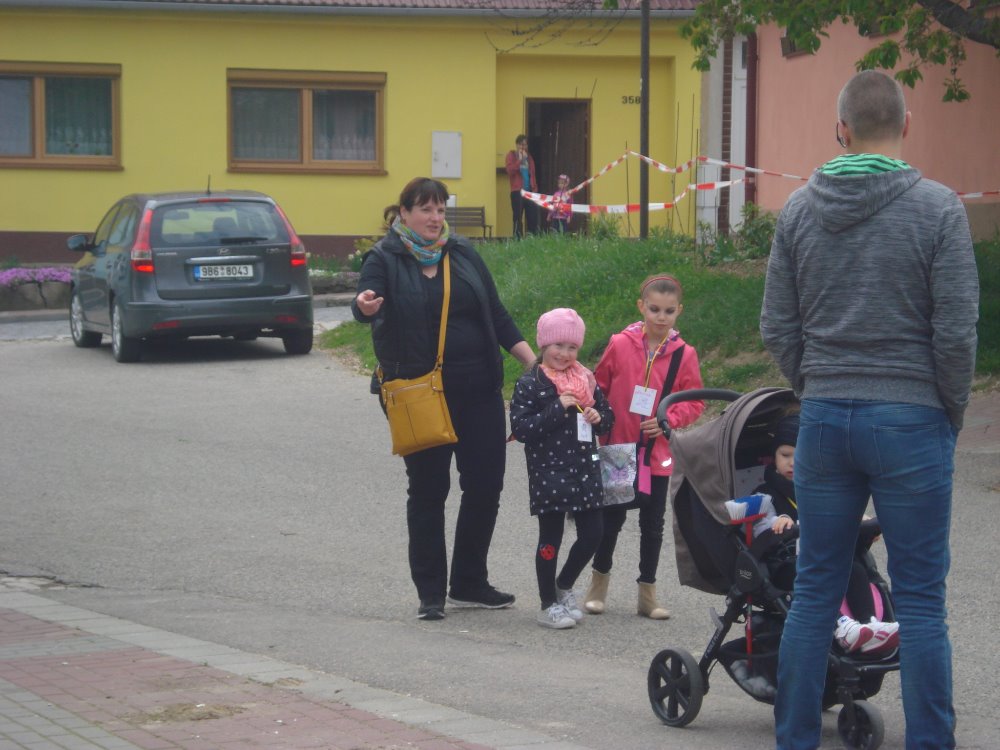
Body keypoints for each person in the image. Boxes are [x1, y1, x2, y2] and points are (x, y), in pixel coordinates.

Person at [760, 70, 979, 750]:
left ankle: (795, 739)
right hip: (913, 420)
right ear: (906, 125)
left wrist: (817, 382)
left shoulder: (798, 211)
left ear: (841, 129)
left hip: (826, 419)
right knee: (921, 602)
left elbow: (777, 324)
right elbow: (956, 333)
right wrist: (948, 410)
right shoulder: (939, 210)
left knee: (814, 593)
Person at [352, 177, 535, 622]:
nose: (435, 218)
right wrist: (365, 306)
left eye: (440, 209)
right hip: (420, 394)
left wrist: (535, 364)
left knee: (485, 486)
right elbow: (363, 302)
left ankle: (469, 581)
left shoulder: (462, 252)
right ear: (404, 213)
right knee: (429, 491)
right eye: (426, 209)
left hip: (480, 391)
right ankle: (430, 592)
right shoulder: (385, 258)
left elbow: (496, 314)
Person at [584, 275, 705, 619]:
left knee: (653, 524)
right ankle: (598, 586)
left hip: (657, 453)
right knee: (611, 519)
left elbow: (694, 401)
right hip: (618, 448)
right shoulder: (619, 344)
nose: (661, 317)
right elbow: (599, 387)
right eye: (654, 309)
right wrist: (600, 418)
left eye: (669, 311)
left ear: (679, 311)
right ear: (641, 307)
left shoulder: (685, 354)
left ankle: (647, 594)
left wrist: (668, 420)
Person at [748, 412, 899, 655]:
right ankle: (841, 625)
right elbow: (761, 526)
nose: (792, 462)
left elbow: (840, 510)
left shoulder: (821, 489)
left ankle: (869, 624)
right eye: (785, 455)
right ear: (773, 457)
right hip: (786, 562)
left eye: (801, 456)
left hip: (825, 554)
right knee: (811, 575)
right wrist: (779, 521)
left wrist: (860, 519)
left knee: (855, 568)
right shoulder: (765, 494)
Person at [509, 308, 614, 629]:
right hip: (549, 473)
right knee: (550, 540)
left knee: (594, 534)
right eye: (558, 346)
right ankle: (547, 604)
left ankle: (563, 585)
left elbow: (607, 416)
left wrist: (598, 418)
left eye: (572, 347)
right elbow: (522, 429)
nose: (564, 354)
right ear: (543, 345)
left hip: (586, 470)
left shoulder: (586, 379)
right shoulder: (531, 383)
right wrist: (557, 407)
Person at [504, 134, 538, 238]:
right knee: (517, 217)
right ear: (517, 145)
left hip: (530, 192)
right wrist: (520, 161)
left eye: (525, 145)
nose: (523, 147)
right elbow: (510, 171)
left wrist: (535, 190)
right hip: (517, 191)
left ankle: (532, 239)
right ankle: (517, 239)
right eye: (521, 144)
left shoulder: (529, 158)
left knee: (532, 217)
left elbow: (533, 174)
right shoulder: (511, 155)